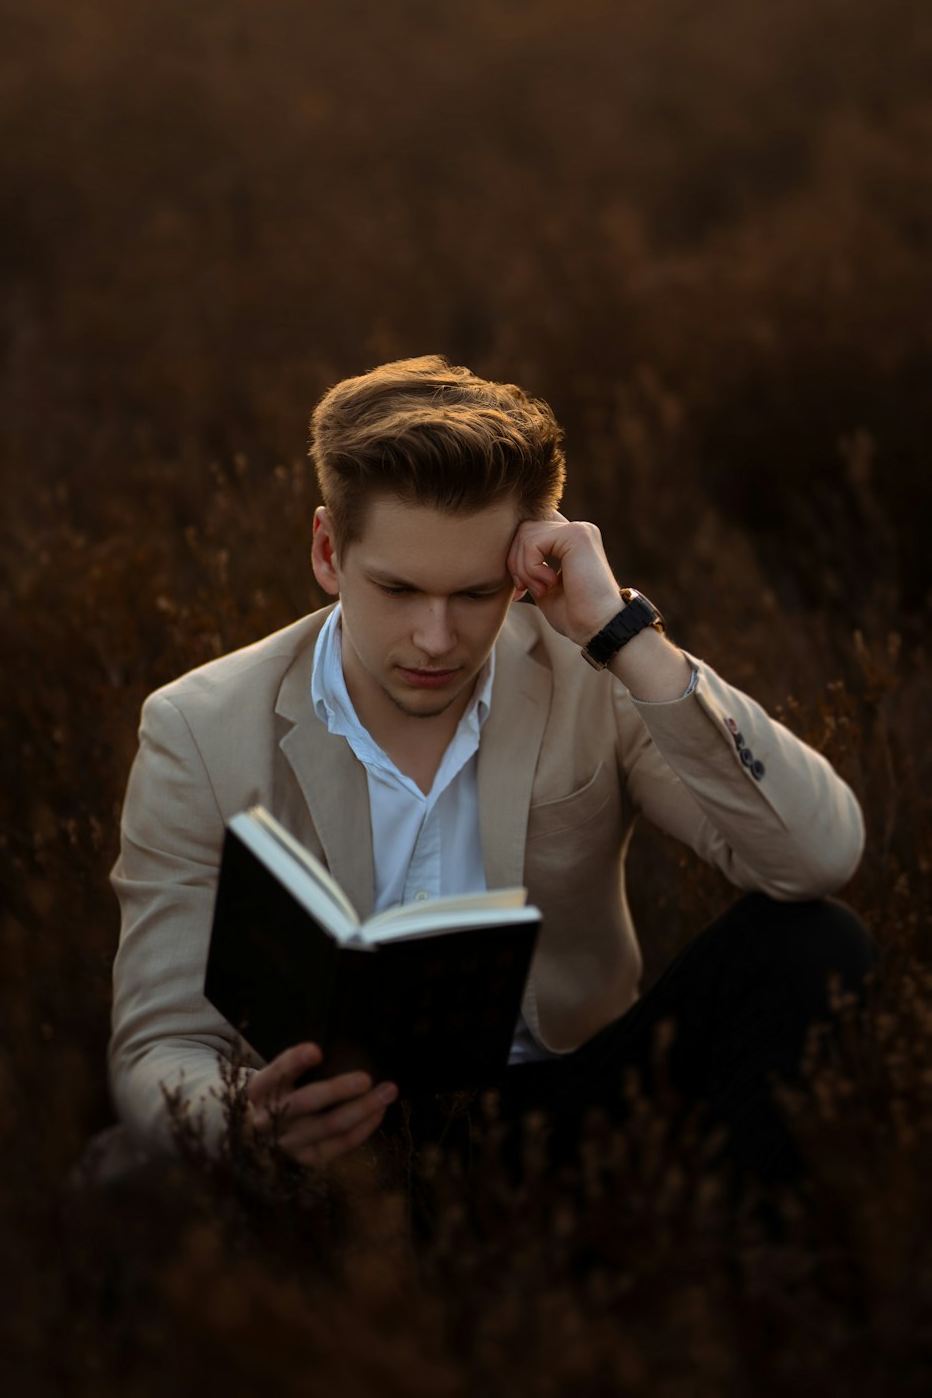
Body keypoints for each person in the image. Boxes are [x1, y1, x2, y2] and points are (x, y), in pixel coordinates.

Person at [107, 354, 876, 1204]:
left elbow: (816, 857)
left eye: (474, 594)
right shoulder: (197, 726)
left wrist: (625, 634)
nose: (436, 638)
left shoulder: (596, 669)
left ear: (525, 566)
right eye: (397, 589)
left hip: (572, 1108)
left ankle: (732, 1298)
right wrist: (243, 1121)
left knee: (818, 945)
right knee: (121, 1194)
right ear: (328, 551)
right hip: (339, 1147)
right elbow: (158, 1043)